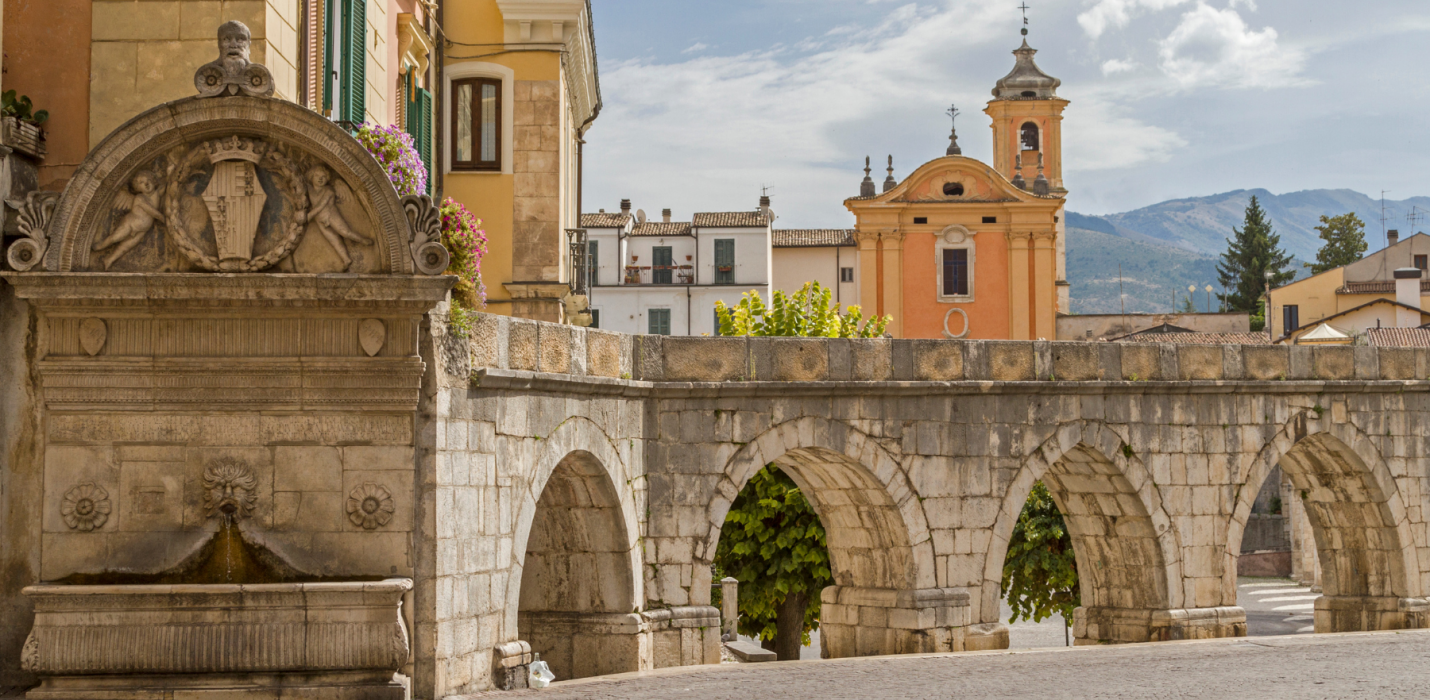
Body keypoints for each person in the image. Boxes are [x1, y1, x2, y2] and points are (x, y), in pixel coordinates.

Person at [303, 165, 372, 270]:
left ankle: (362, 240)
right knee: (334, 240)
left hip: (331, 216)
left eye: (324, 176)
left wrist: (309, 216)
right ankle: (346, 259)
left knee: (345, 232)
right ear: (311, 176)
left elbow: (320, 206)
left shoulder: (328, 191)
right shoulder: (310, 190)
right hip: (319, 221)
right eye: (317, 175)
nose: (320, 178)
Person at [92, 171, 163, 270]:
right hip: (130, 224)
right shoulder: (140, 198)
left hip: (143, 230)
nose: (146, 184)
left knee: (126, 247)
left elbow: (169, 186)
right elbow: (153, 212)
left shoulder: (157, 194)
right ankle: (100, 245)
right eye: (142, 183)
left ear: (153, 181)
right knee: (115, 238)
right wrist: (164, 219)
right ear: (138, 188)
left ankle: (109, 260)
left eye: (148, 180)